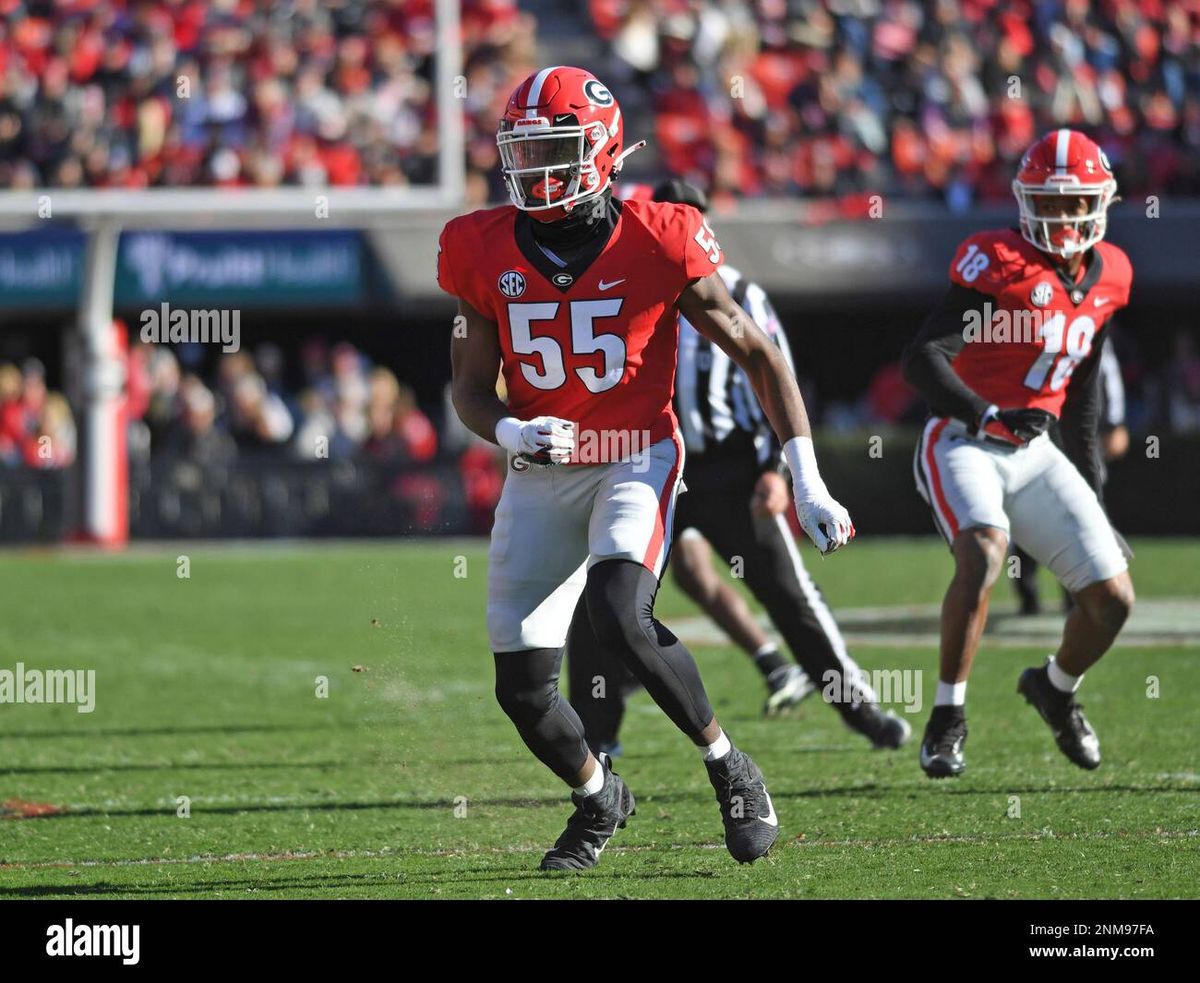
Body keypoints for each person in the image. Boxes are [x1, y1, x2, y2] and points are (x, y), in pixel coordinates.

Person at [440, 67, 854, 870]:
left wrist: (807, 477)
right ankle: (599, 797)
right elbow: (466, 388)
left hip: (634, 453)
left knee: (618, 611)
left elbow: (757, 351)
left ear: (600, 151)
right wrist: (512, 429)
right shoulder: (477, 245)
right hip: (541, 469)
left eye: (553, 151)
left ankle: (729, 764)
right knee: (521, 689)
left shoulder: (661, 234)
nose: (535, 171)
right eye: (523, 151)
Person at [568, 179, 910, 754]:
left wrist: (781, 469)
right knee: (602, 592)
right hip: (651, 466)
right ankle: (597, 734)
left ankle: (859, 708)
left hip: (733, 473)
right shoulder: (624, 289)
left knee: (790, 594)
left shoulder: (743, 295)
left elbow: (775, 377)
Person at [902, 129, 1135, 779]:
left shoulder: (1113, 272)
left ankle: (1055, 687)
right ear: (1026, 201)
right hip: (963, 439)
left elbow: (1082, 392)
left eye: (1074, 203)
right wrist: (985, 412)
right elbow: (920, 358)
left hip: (1034, 449)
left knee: (1113, 597)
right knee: (983, 549)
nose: (1061, 217)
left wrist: (1093, 491)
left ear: (1100, 202)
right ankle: (948, 715)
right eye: (1049, 203)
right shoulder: (996, 258)